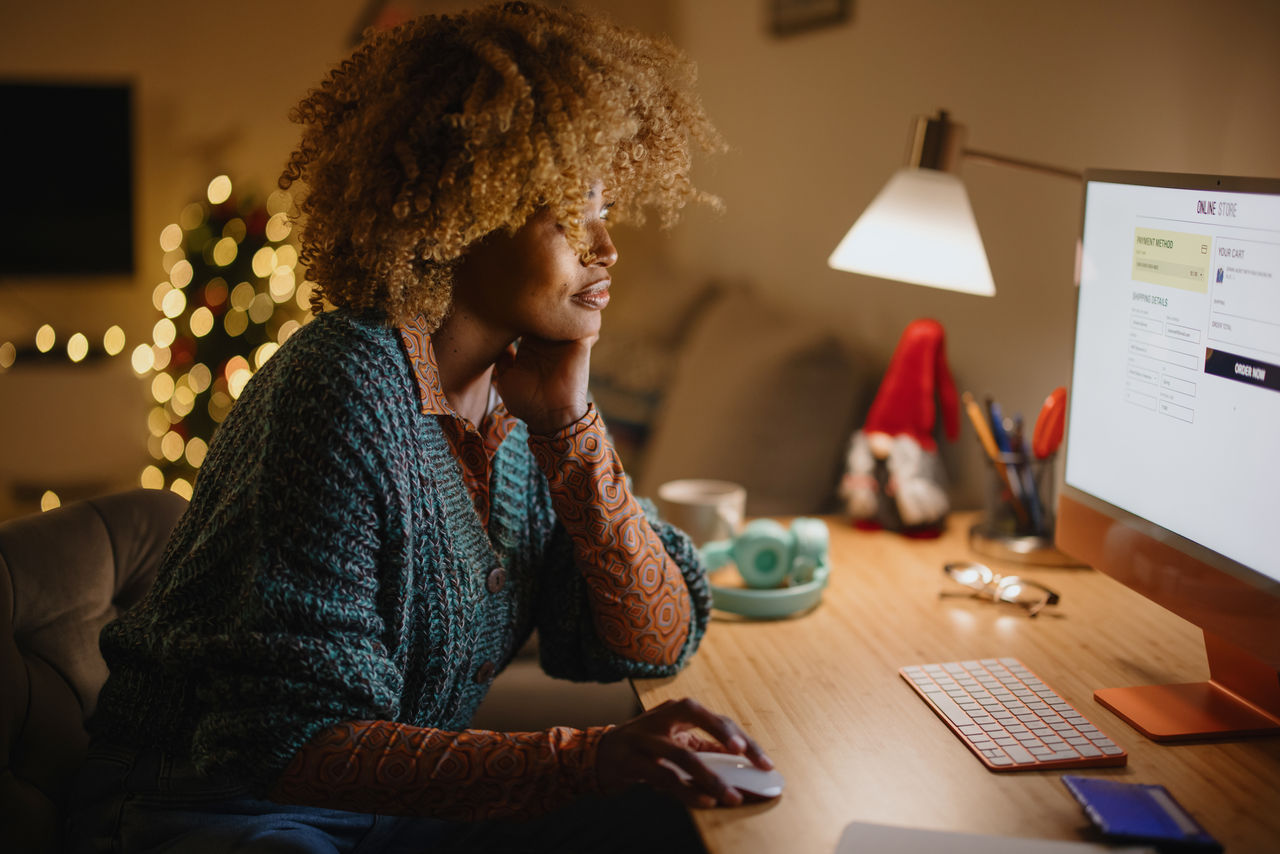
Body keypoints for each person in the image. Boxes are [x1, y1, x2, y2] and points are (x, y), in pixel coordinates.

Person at [66, 2, 771, 852]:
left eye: (607, 204)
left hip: (385, 812)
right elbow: (291, 743)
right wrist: (583, 760)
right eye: (564, 210)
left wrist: (570, 428)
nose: (605, 245)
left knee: (676, 826)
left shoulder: (520, 401)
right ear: (461, 209)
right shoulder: (347, 381)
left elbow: (657, 639)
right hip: (209, 810)